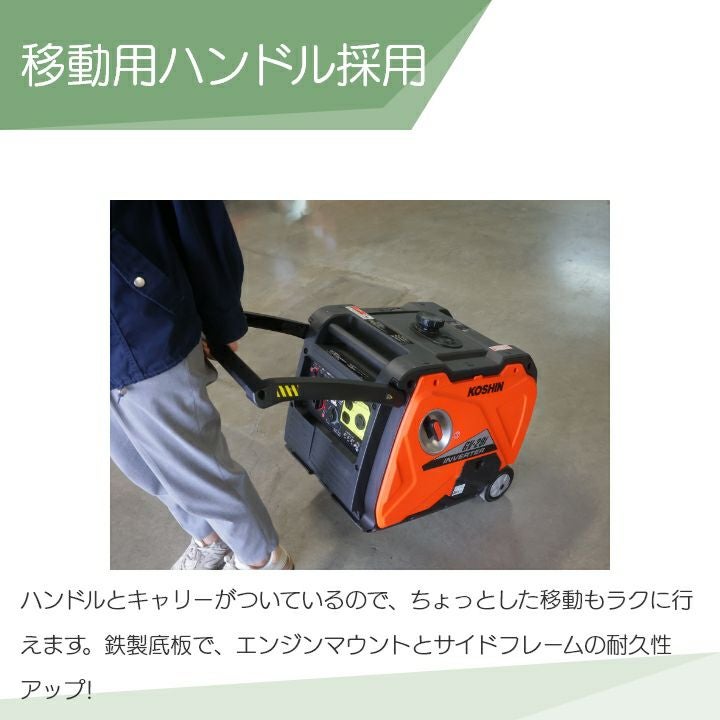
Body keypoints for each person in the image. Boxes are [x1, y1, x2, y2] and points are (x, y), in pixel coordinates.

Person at [110, 200, 293, 570]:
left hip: (142, 325)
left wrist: (220, 319)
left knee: (202, 474)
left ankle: (263, 562)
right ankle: (211, 540)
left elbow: (195, 211)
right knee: (143, 467)